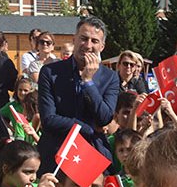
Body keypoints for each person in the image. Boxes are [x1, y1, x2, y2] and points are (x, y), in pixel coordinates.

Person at [37, 17, 119, 174]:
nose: (88, 46)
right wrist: (86, 128)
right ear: (74, 39)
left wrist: (88, 82)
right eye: (83, 39)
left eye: (94, 41)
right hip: (57, 152)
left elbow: (104, 117)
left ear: (102, 46)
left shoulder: (110, 77)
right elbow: (48, 119)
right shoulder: (50, 72)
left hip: (92, 151)